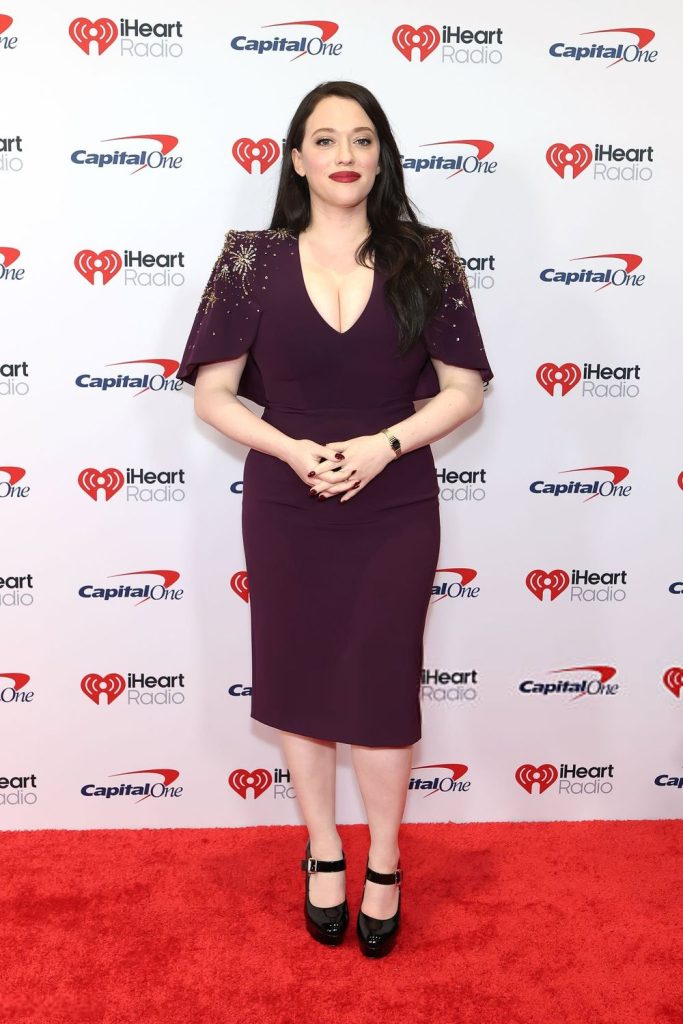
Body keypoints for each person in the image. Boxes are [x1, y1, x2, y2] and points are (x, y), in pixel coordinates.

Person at [176, 80, 493, 958]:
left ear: (381, 155)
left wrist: (381, 446)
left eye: (361, 138)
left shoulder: (428, 256)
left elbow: (463, 392)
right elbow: (213, 394)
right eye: (324, 138)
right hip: (286, 501)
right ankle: (322, 849)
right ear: (295, 158)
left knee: (384, 681)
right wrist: (289, 450)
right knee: (299, 676)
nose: (344, 153)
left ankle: (384, 859)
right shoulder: (249, 259)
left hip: (393, 500)